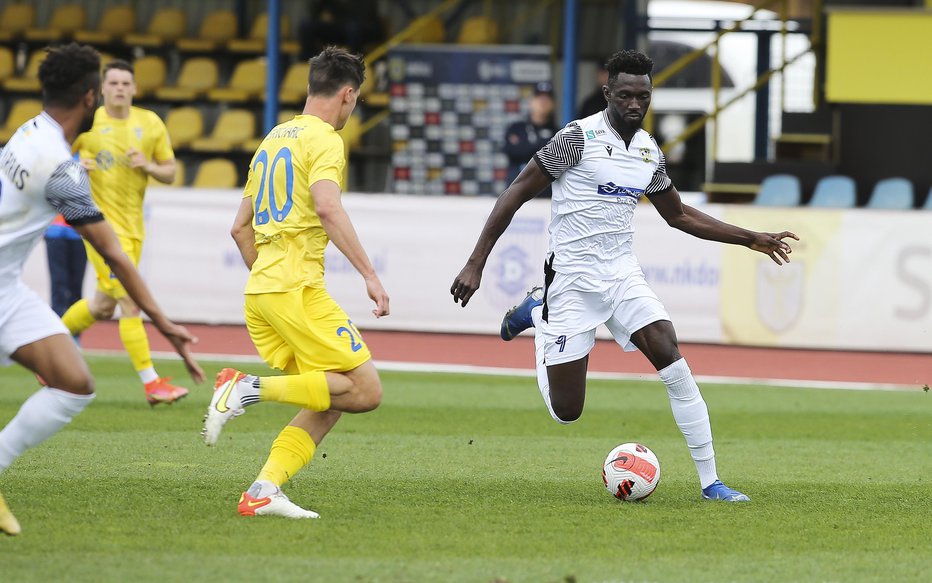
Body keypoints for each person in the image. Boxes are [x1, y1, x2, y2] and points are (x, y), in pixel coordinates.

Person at [450, 50, 799, 503]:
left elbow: (677, 215)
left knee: (670, 354)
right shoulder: (576, 139)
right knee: (567, 412)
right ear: (608, 92)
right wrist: (476, 262)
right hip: (572, 280)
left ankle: (711, 482)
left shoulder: (649, 151)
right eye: (627, 94)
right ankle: (539, 313)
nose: (636, 103)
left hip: (621, 274)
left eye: (644, 95)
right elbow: (516, 191)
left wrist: (748, 237)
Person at [0, 43, 204, 536]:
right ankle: (152, 378)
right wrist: (167, 325)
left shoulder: (27, 130)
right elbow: (113, 254)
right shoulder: (63, 166)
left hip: (7, 287)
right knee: (110, 309)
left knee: (75, 382)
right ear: (90, 97)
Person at [202, 47, 390, 520]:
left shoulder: (272, 139)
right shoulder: (324, 139)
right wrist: (370, 275)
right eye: (355, 101)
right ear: (347, 95)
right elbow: (327, 207)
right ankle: (245, 388)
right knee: (365, 391)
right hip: (296, 287)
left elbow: (239, 227)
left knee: (330, 396)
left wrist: (269, 284)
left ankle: (264, 490)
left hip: (263, 287)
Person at [59, 59, 186, 406]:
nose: (119, 89)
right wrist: (73, 166)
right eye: (112, 83)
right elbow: (55, 162)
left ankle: (47, 348)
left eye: (125, 83)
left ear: (134, 88)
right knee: (130, 302)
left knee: (102, 306)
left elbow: (171, 172)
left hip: (133, 229)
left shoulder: (150, 123)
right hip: (99, 230)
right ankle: (152, 383)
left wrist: (149, 166)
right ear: (102, 89)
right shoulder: (87, 122)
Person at [503, 82, 557, 186]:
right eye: (539, 97)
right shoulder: (516, 128)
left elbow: (556, 160)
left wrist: (526, 146)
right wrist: (542, 147)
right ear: (531, 101)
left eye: (547, 98)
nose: (543, 102)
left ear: (553, 103)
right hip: (516, 193)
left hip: (547, 196)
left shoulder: (559, 132)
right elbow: (511, 151)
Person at [44, 213, 87, 321]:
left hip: (79, 231)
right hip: (55, 230)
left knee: (76, 283)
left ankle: (75, 329)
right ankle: (57, 326)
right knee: (58, 281)